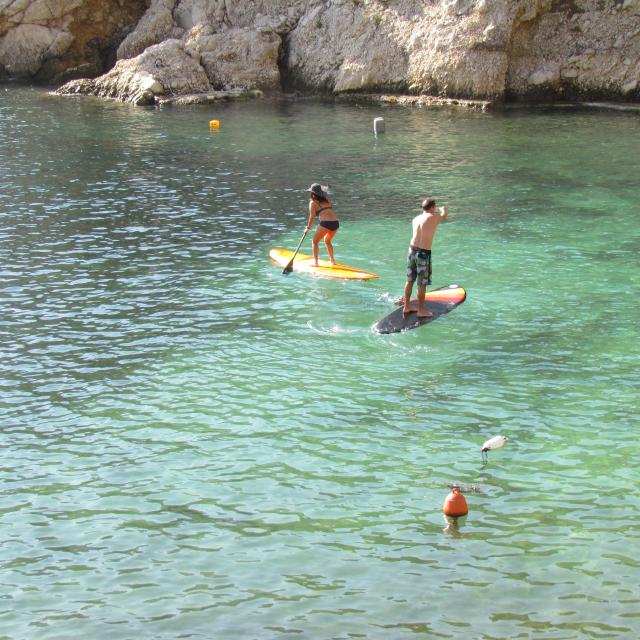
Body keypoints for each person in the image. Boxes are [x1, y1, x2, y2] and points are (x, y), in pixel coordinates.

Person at [403, 197, 448, 317]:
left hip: (412, 250)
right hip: (423, 253)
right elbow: (443, 216)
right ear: (432, 207)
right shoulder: (432, 217)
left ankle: (407, 306)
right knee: (422, 283)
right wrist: (443, 209)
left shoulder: (415, 219)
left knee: (410, 280)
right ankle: (421, 310)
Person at [304, 183, 339, 266]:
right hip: (336, 223)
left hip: (325, 223)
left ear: (312, 193)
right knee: (327, 241)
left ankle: (316, 263)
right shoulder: (327, 200)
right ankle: (332, 260)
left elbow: (312, 217)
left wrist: (308, 228)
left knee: (315, 241)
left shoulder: (312, 203)